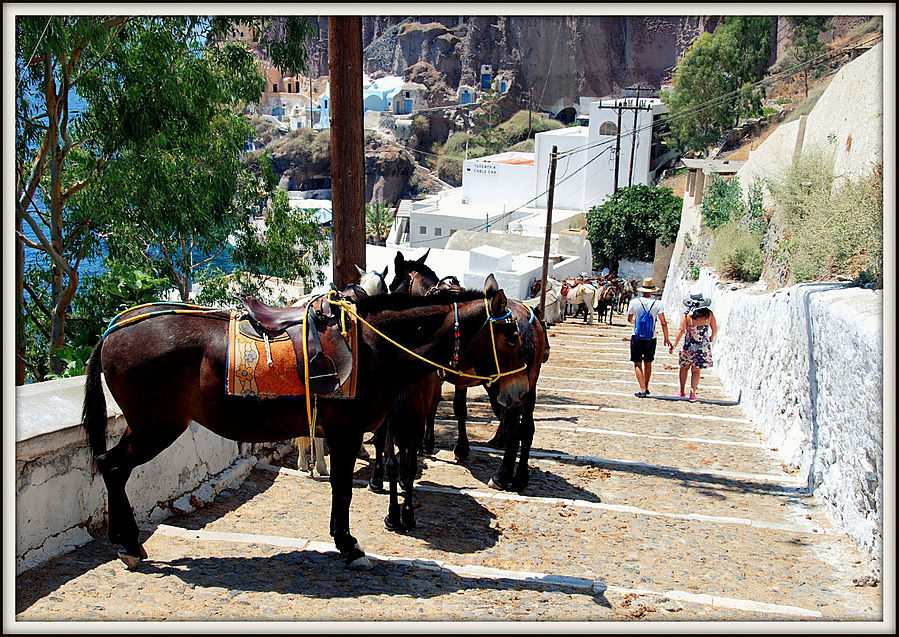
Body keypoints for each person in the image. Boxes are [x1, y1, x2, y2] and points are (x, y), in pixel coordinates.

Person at [627, 277, 671, 398]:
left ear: (642, 289)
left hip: (636, 336)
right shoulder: (658, 303)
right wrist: (666, 338)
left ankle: (642, 389)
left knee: (637, 363)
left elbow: (629, 319)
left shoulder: (634, 302)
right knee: (648, 362)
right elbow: (663, 322)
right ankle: (646, 386)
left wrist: (635, 321)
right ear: (652, 290)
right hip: (651, 337)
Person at [669, 292, 718, 402]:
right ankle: (693, 394)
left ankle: (681, 391)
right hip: (702, 348)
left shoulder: (687, 316)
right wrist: (711, 338)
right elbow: (714, 329)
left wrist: (674, 344)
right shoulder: (709, 315)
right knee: (696, 371)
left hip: (689, 346)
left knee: (684, 368)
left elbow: (681, 330)